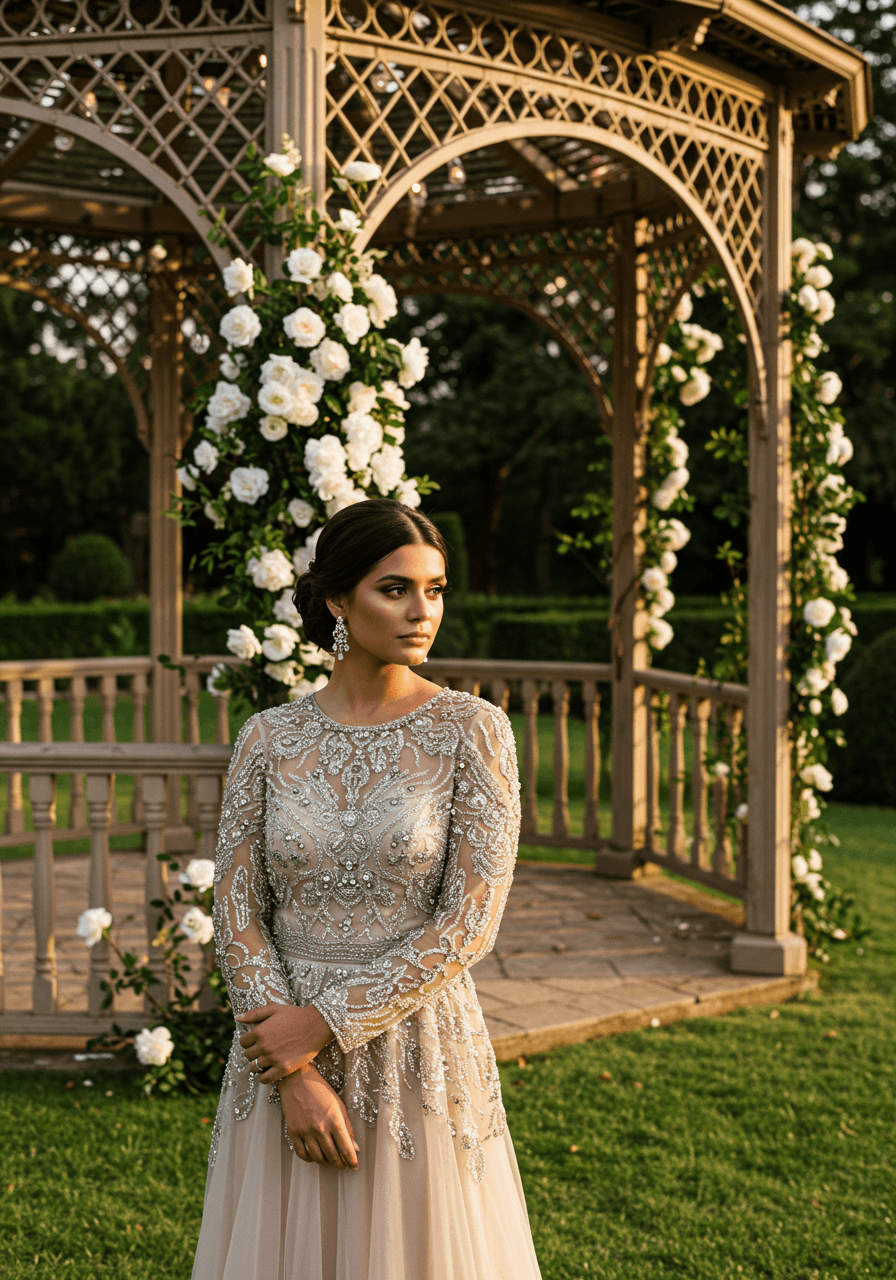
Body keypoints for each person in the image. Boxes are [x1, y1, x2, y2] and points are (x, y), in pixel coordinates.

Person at [192, 498, 542, 1280]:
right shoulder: (268, 738)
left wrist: (320, 1024)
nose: (424, 612)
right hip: (277, 1043)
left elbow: (471, 920)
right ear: (336, 600)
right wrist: (290, 1067)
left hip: (414, 1043)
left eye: (437, 589)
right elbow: (238, 910)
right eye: (396, 589)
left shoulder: (471, 730)